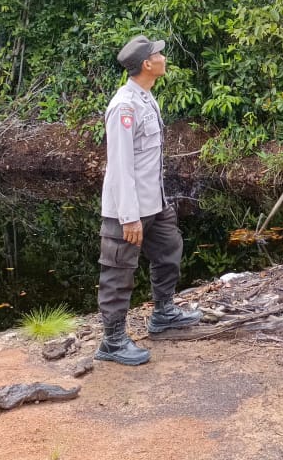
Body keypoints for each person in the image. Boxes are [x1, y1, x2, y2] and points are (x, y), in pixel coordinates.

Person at [96, 35, 201, 366]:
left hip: (153, 203)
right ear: (146, 64)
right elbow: (121, 166)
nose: (163, 57)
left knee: (169, 250)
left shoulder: (145, 98)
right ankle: (112, 341)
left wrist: (157, 202)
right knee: (118, 272)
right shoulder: (123, 106)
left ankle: (164, 313)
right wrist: (128, 217)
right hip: (127, 210)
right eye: (159, 54)